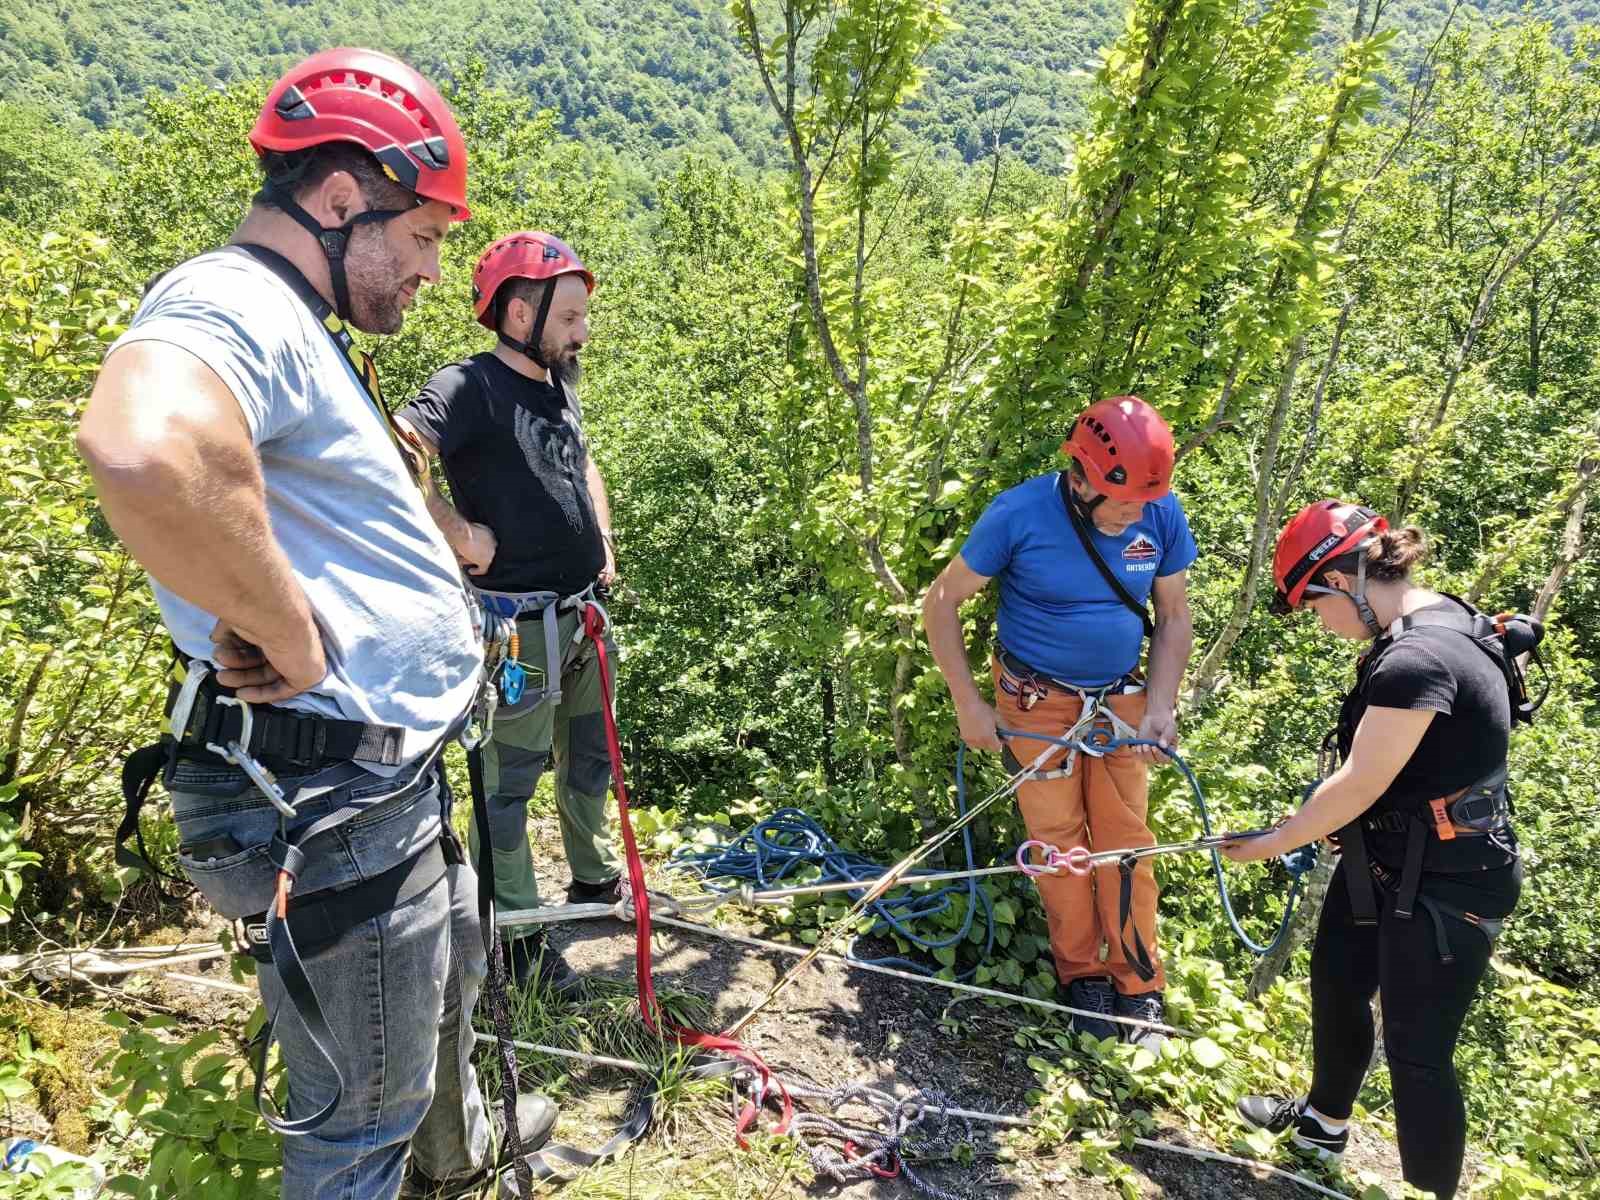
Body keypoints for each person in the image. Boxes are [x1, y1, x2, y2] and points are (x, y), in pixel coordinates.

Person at [77, 49, 554, 1199]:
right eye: (427, 238)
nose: (437, 272)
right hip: (328, 793)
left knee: (448, 972)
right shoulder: (232, 299)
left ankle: (459, 1150)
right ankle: (403, 1158)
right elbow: (140, 449)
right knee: (354, 1119)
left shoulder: (295, 319)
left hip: (372, 777)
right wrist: (285, 629)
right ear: (341, 201)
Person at [1225, 501, 1524, 1200]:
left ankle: (1429, 1194)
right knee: (1336, 985)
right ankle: (1324, 1126)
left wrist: (1273, 841)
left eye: (1316, 604)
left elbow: (1359, 782)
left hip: (1453, 880)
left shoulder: (1416, 659)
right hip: (1389, 857)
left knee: (1418, 1056)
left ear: (1345, 578)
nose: (1321, 623)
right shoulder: (1437, 618)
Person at [922, 395, 1196, 1047]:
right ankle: (1083, 976)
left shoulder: (1160, 512)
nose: (1137, 515)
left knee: (1125, 843)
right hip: (1035, 700)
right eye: (1122, 501)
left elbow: (1175, 616)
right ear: (1079, 482)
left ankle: (1140, 987)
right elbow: (941, 602)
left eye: (1143, 502)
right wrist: (968, 702)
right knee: (1058, 846)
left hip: (1123, 700)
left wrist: (1161, 703)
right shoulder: (1020, 514)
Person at [394, 231, 621, 994]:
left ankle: (591, 881)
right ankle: (519, 943)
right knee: (507, 785)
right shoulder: (468, 387)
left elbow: (581, 459)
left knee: (590, 760)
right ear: (519, 312)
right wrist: (456, 533)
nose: (582, 332)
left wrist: (603, 538)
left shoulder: (558, 380)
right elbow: (389, 454)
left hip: (585, 615)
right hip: (519, 631)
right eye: (571, 317)